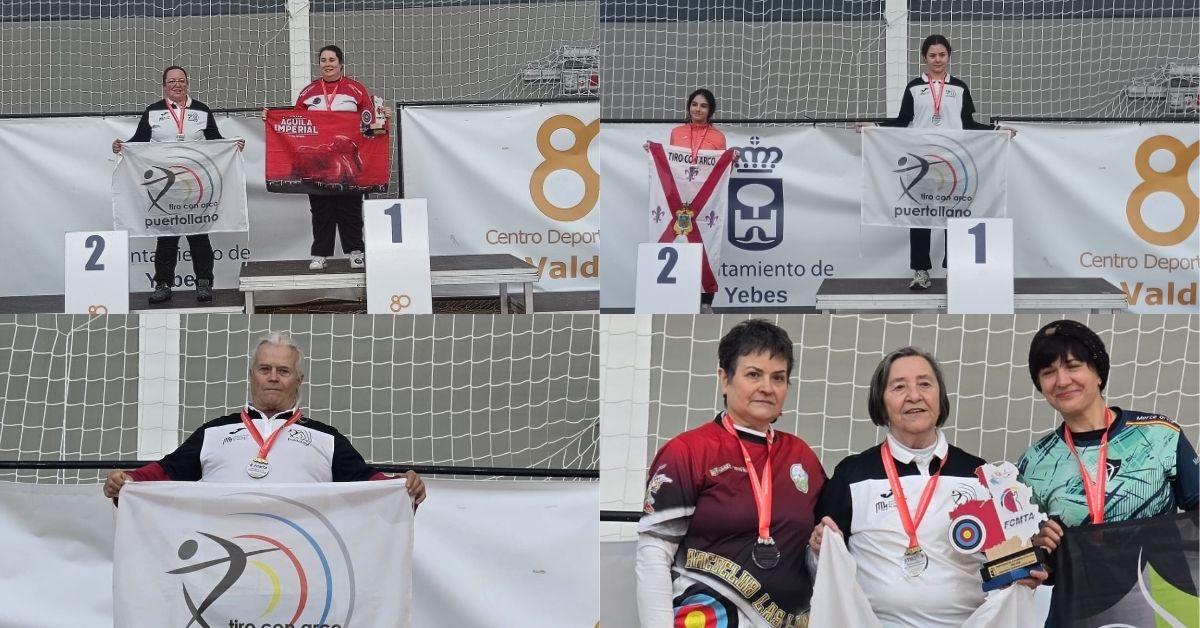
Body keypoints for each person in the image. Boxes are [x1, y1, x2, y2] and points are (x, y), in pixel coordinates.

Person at [808, 346, 1043, 627]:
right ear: (880, 403)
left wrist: (1026, 569)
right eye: (899, 387)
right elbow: (822, 568)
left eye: (924, 384)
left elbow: (1011, 563)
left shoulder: (982, 475)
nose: (914, 396)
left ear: (939, 398)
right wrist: (818, 549)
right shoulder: (852, 474)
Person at [636, 319, 826, 627]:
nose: (767, 388)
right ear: (724, 379)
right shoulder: (687, 451)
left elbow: (815, 552)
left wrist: (819, 551)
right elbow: (654, 553)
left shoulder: (801, 456)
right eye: (754, 374)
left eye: (778, 378)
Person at [103, 332, 426, 505]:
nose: (273, 377)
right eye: (265, 369)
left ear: (298, 379)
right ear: (251, 375)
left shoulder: (326, 438)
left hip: (303, 561)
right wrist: (128, 482)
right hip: (225, 557)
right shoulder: (215, 431)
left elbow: (367, 483)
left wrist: (403, 488)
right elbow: (165, 472)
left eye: (283, 371)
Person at [1020, 320, 1198, 622]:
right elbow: (1040, 568)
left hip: (1161, 606)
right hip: (1083, 613)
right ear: (1041, 386)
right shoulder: (1033, 463)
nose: (1062, 381)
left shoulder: (1160, 434)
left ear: (1099, 372)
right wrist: (1038, 552)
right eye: (1048, 372)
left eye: (1073, 366)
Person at [868, 34, 1011, 291]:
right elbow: (902, 121)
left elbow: (968, 124)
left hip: (954, 165)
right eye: (932, 55)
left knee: (952, 217)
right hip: (922, 164)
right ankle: (920, 271)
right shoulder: (914, 87)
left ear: (949, 56)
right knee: (920, 217)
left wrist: (997, 130)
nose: (937, 60)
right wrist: (874, 127)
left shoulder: (959, 87)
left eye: (942, 55)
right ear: (924, 57)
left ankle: (953, 270)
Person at [112, 66, 244, 304]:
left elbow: (215, 140)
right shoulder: (153, 111)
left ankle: (204, 283)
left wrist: (232, 145)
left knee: (199, 235)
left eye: (181, 80)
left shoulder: (201, 110)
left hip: (197, 186)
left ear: (187, 83)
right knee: (166, 237)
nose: (177, 85)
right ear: (164, 84)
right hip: (166, 191)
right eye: (172, 81)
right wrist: (123, 146)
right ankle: (163, 284)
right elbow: (139, 141)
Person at [292, 44, 392, 272]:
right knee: (321, 209)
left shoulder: (355, 89)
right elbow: (295, 121)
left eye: (332, 60)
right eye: (323, 60)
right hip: (320, 161)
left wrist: (383, 115)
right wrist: (272, 118)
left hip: (348, 158)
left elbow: (370, 120)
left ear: (341, 63)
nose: (327, 64)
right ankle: (320, 254)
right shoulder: (308, 92)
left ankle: (356, 252)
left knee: (350, 208)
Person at [668, 88, 727, 313]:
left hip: (707, 202)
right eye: (694, 104)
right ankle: (680, 296)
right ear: (688, 106)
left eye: (703, 106)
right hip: (679, 201)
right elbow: (669, 163)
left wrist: (733, 158)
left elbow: (722, 168)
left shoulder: (718, 137)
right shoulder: (676, 132)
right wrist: (655, 153)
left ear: (710, 110)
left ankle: (705, 302)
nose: (698, 109)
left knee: (706, 245)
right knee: (680, 244)